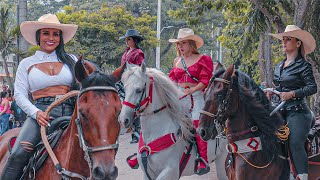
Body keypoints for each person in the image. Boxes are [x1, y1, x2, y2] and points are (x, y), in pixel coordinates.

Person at [1, 13, 78, 180]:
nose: (51, 38)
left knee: (99, 149)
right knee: (18, 154)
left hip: (72, 113)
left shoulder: (72, 60)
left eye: (55, 34)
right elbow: (20, 95)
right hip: (40, 115)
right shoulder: (26, 63)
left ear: (61, 38)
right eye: (46, 33)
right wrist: (36, 113)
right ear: (38, 36)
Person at [270, 25, 317, 180]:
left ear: (298, 43)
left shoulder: (303, 65)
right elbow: (279, 87)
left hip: (298, 112)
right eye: (283, 39)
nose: (284, 42)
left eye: (288, 39)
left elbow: (312, 87)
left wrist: (292, 93)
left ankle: (302, 177)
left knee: (295, 143)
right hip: (278, 109)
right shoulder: (279, 65)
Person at [168, 28, 214, 175]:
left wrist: (191, 91)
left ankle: (203, 160)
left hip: (197, 96)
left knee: (197, 125)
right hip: (180, 95)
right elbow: (172, 80)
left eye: (184, 43)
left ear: (191, 44)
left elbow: (205, 81)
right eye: (179, 43)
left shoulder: (203, 59)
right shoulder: (177, 61)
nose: (180, 46)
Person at [119, 29, 144, 144]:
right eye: (126, 39)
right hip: (124, 80)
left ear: (134, 40)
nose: (127, 41)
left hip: (133, 80)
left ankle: (136, 133)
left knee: (134, 105)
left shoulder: (138, 53)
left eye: (129, 39)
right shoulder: (126, 52)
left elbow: (139, 69)